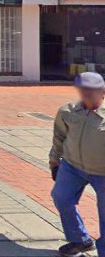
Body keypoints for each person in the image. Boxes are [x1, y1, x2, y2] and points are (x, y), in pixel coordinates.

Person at [50, 71, 105, 257]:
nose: (86, 93)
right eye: (83, 89)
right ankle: (79, 240)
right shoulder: (68, 111)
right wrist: (54, 161)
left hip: (103, 172)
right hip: (72, 166)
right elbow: (59, 136)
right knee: (61, 197)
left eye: (92, 90)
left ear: (102, 91)